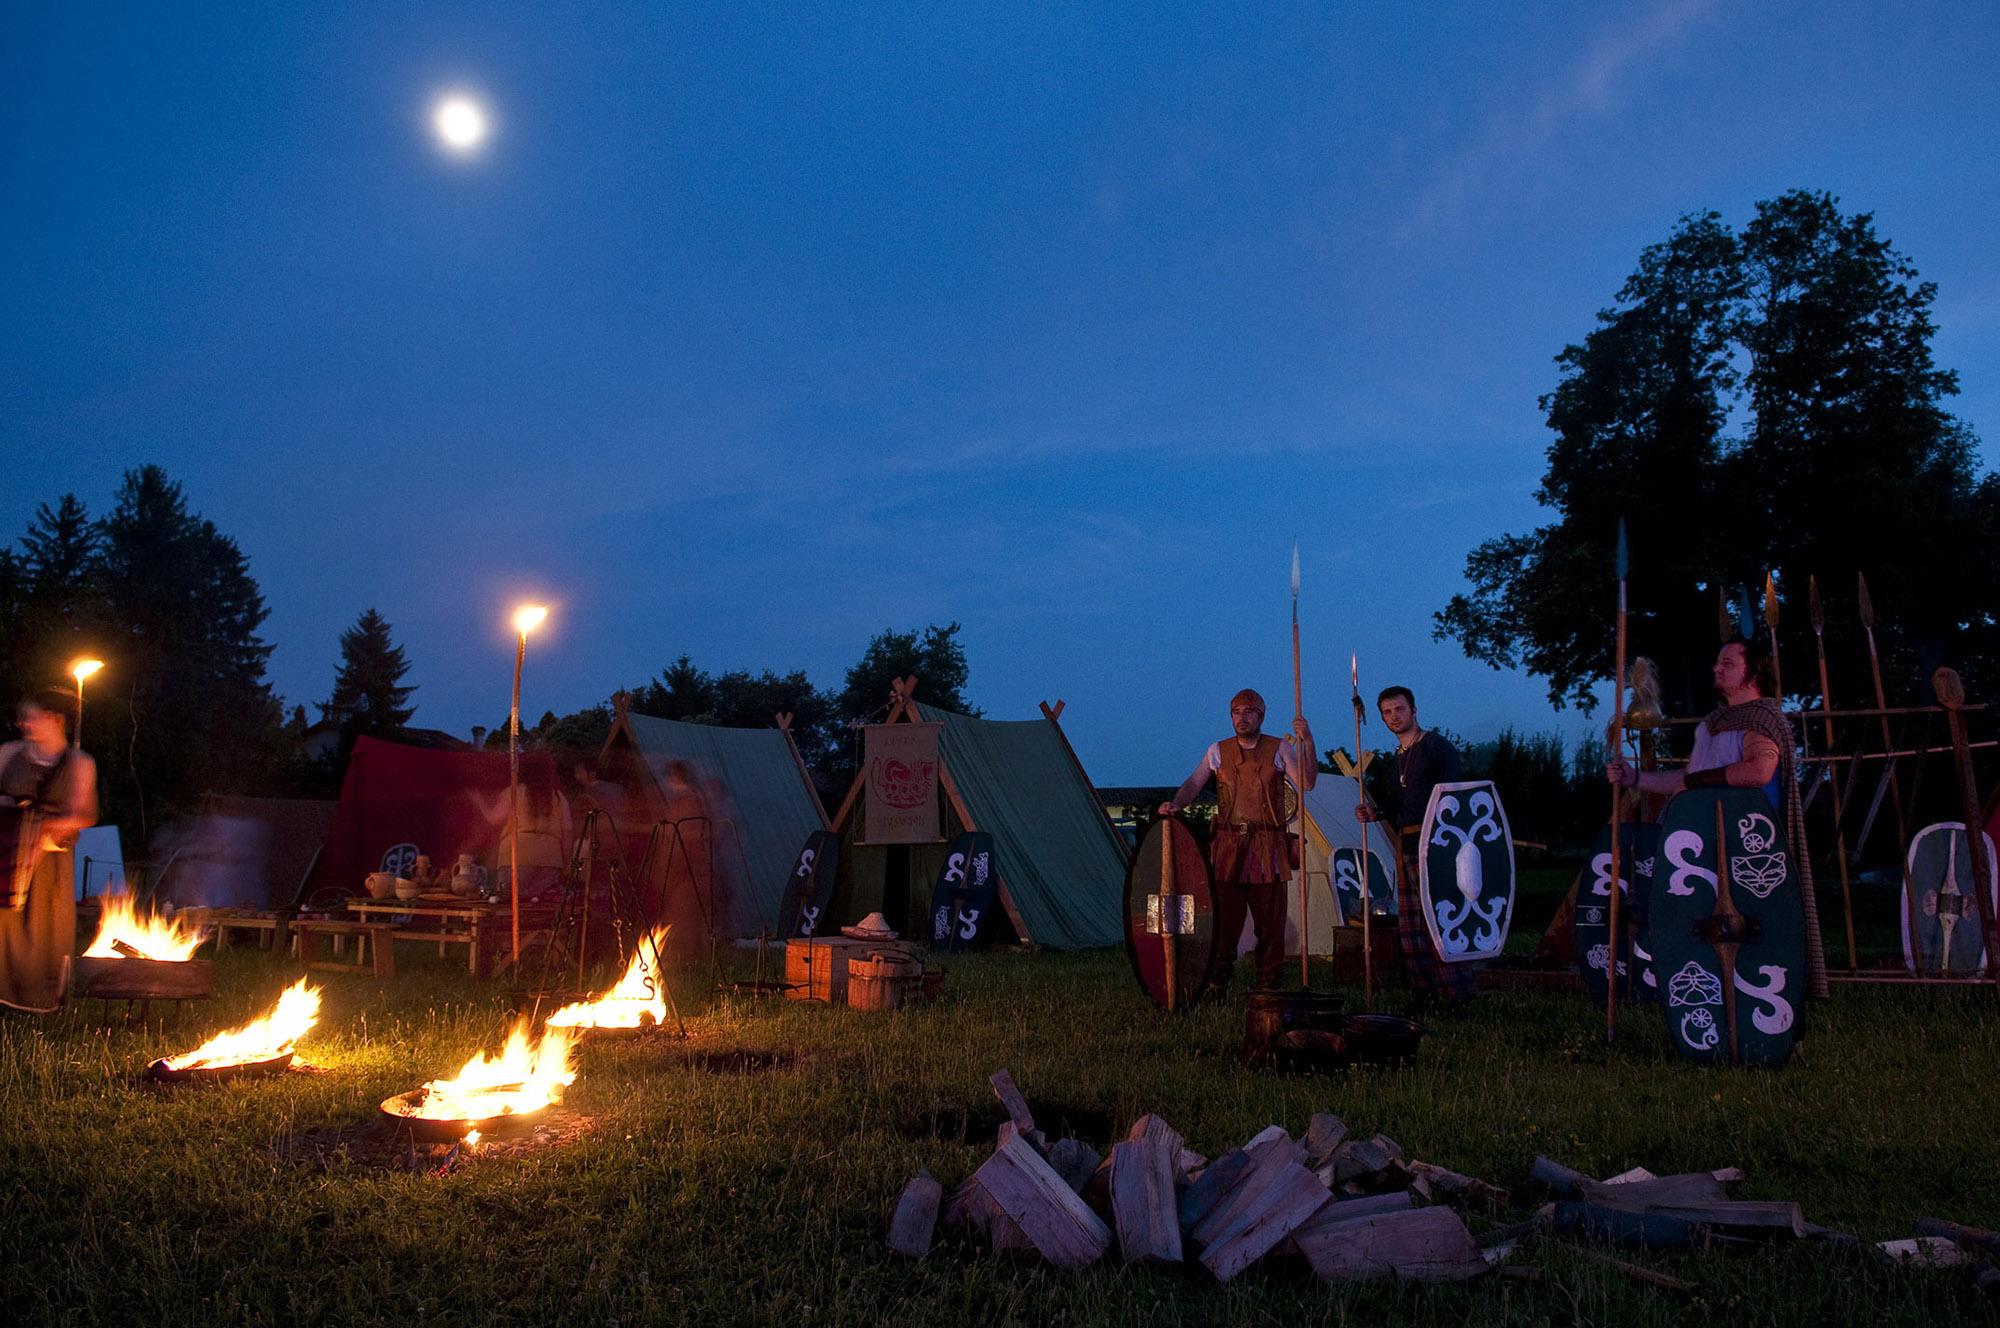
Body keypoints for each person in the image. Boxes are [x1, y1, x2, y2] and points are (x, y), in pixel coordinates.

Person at [1607, 635, 1828, 997]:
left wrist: (1699, 781)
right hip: (1703, 840)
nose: (1716, 668)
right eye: (1717, 661)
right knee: (1699, 927)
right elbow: (1687, 780)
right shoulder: (1712, 724)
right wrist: (1636, 778)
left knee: (1747, 933)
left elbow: (1758, 771)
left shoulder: (1760, 718)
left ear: (1753, 671)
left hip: (1747, 845)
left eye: (1728, 663)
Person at [1158, 689, 1315, 994]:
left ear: (1261, 715)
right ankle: (1217, 982)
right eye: (1236, 712)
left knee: (1270, 924)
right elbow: (1193, 783)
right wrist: (1176, 804)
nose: (1242, 717)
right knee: (1224, 921)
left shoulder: (1279, 748)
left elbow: (1307, 783)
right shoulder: (1218, 750)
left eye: (1249, 711)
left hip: (1268, 846)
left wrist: (1308, 740)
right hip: (1228, 847)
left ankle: (1268, 986)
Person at [1356, 685, 1477, 1008]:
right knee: (1412, 926)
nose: (1393, 717)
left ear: (1414, 711)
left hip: (1437, 844)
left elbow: (1455, 797)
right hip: (1406, 845)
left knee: (1441, 920)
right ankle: (1425, 993)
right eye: (1387, 712)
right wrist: (1375, 812)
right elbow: (1402, 804)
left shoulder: (1437, 747)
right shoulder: (1399, 758)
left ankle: (1455, 995)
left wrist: (1447, 847)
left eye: (1399, 709)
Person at [1, 687, 98, 1012]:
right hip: (7, 853)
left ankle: (36, 1001)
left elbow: (84, 815)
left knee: (42, 930)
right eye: (22, 717)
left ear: (54, 719)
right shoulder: (8, 753)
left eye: (32, 717)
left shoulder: (78, 762)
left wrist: (42, 826)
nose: (24, 724)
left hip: (48, 859)